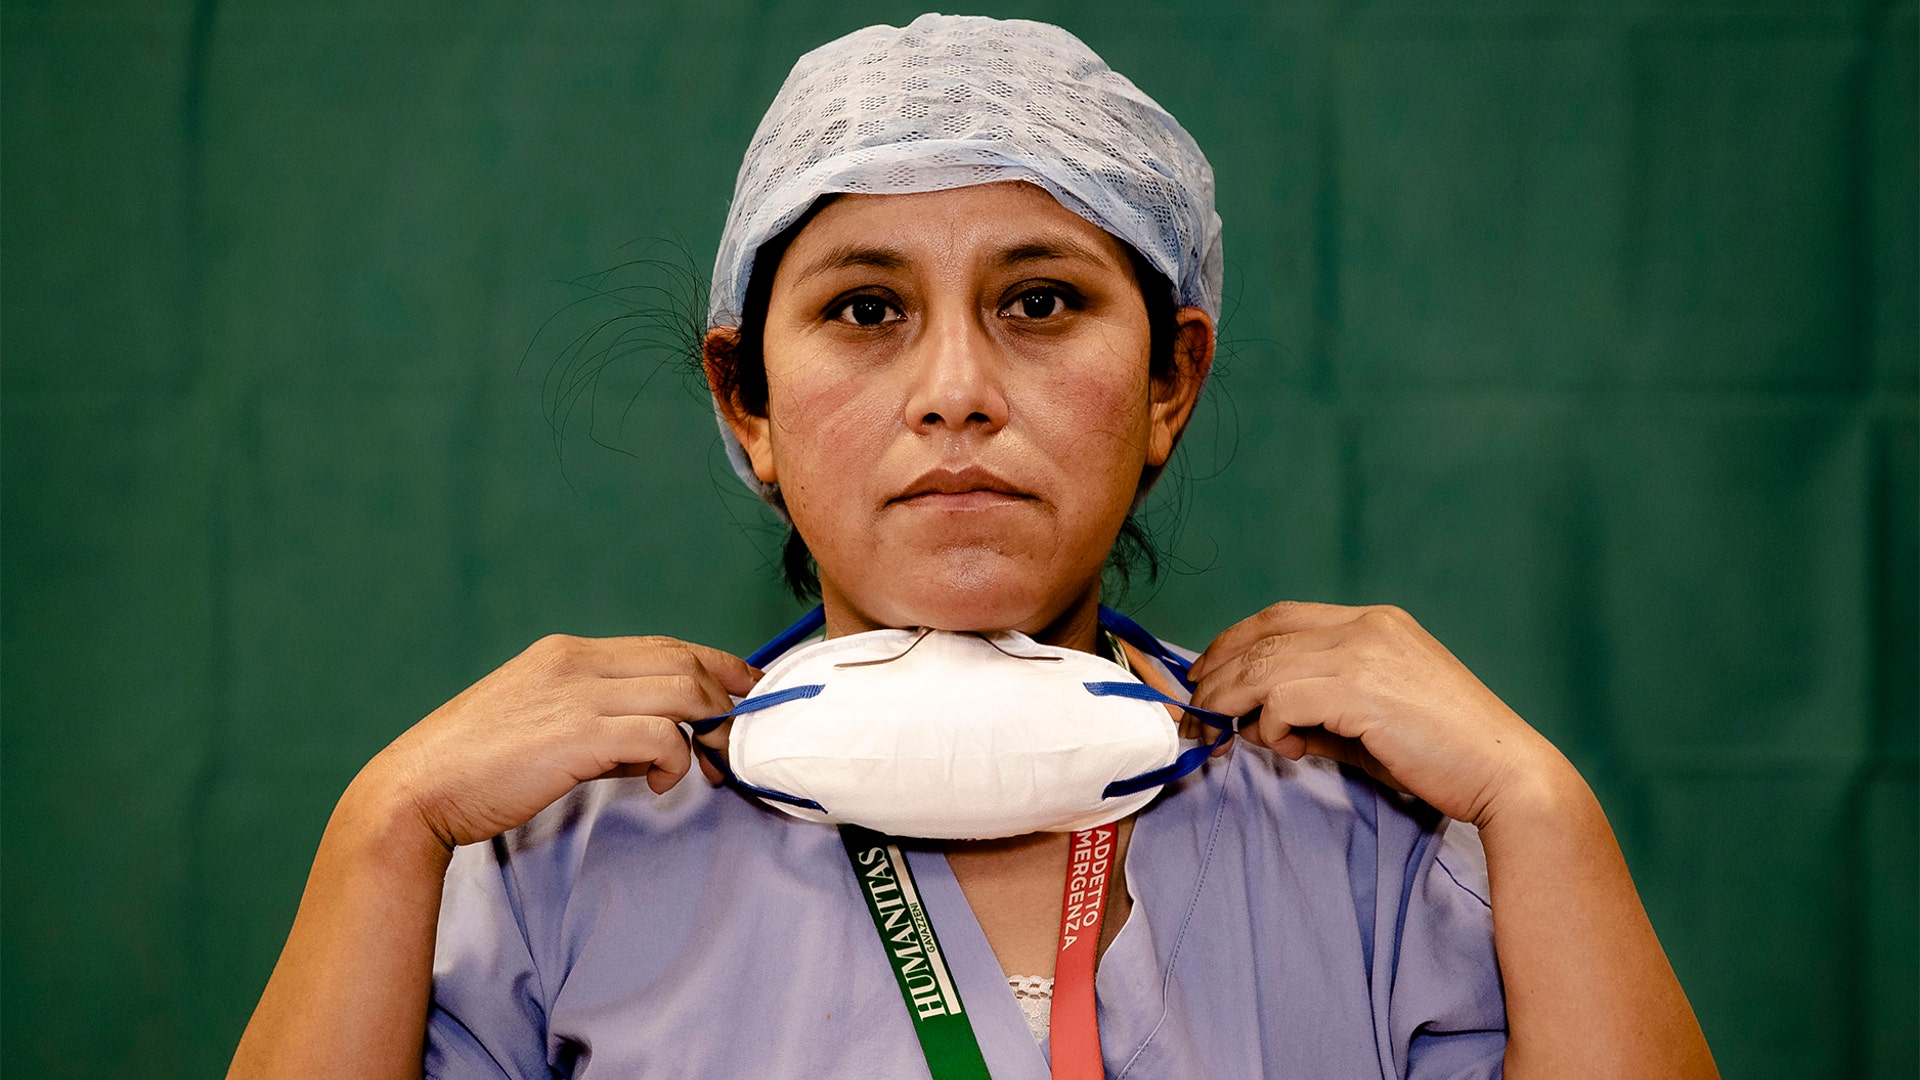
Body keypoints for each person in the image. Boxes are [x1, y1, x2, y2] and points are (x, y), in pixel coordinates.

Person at [229, 14, 1718, 1079]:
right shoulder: (566, 853)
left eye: (1043, 301)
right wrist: (389, 825)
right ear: (744, 401)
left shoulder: (1374, 842)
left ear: (1169, 383)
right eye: (866, 310)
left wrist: (1537, 805)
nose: (955, 389)